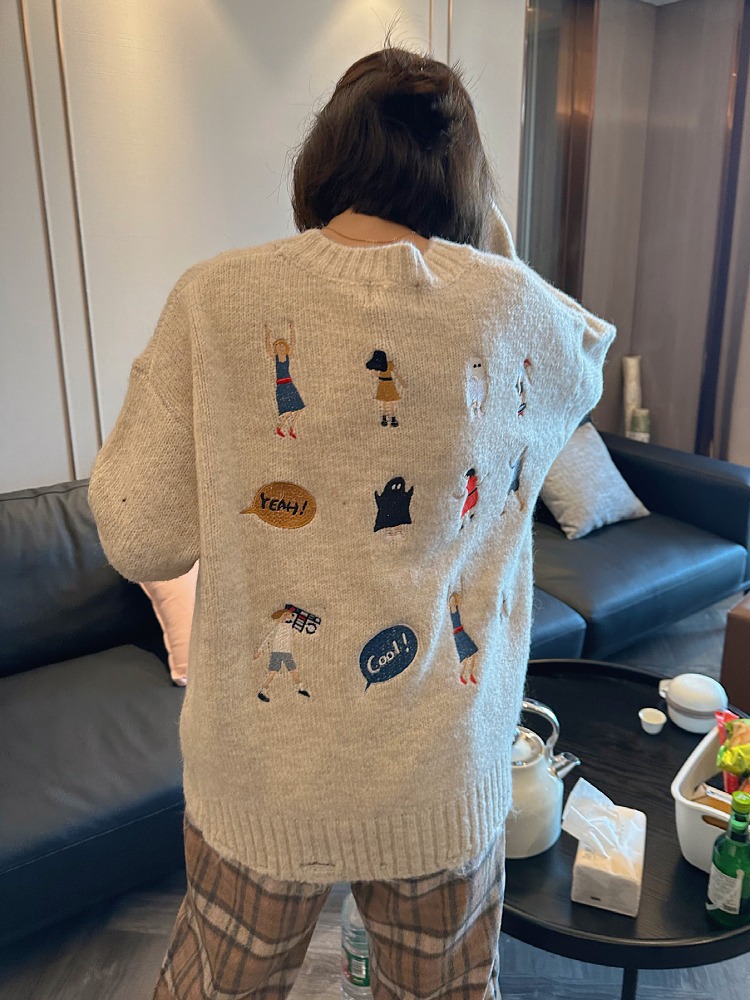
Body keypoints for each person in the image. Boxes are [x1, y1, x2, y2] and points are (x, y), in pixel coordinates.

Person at [88, 44, 615, 1000]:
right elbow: (586, 357)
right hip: (441, 781)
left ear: (323, 154)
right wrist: (482, 237)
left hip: (261, 780)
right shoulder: (508, 310)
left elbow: (138, 534)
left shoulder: (216, 298)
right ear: (463, 182)